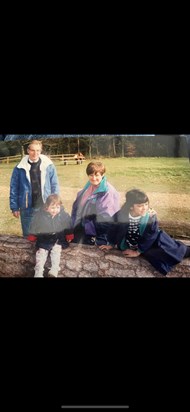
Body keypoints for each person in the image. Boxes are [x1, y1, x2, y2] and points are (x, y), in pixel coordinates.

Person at [99, 189, 190, 275]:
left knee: (173, 250)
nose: (144, 208)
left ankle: (186, 250)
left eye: (146, 204)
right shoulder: (120, 215)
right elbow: (112, 229)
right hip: (130, 243)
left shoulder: (150, 216)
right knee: (151, 254)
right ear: (131, 206)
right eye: (140, 206)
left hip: (152, 241)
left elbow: (151, 235)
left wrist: (138, 251)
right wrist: (111, 244)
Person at [10, 140, 60, 237]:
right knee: (28, 236)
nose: (35, 153)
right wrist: (14, 207)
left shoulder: (49, 166)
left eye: (38, 150)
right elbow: (14, 188)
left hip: (45, 206)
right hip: (26, 208)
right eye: (32, 150)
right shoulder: (19, 168)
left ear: (41, 151)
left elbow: (55, 185)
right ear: (28, 150)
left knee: (46, 235)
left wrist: (55, 204)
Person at [71, 161, 120, 246]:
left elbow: (106, 219)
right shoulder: (88, 188)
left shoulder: (107, 192)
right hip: (83, 227)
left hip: (97, 233)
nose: (93, 178)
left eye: (97, 175)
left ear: (102, 175)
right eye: (91, 175)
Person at [27, 194, 74, 278]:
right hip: (44, 239)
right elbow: (34, 225)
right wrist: (32, 235)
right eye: (52, 207)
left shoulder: (63, 215)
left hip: (58, 239)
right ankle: (38, 272)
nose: (55, 210)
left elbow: (68, 225)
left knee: (56, 252)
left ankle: (54, 270)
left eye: (57, 207)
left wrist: (69, 235)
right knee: (41, 255)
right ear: (46, 207)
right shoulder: (40, 215)